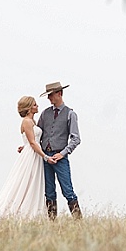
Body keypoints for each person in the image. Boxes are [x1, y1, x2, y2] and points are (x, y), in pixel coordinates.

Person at [0, 96, 50, 218]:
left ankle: (32, 210)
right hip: (32, 155)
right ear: (28, 108)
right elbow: (32, 142)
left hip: (34, 153)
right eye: (34, 105)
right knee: (25, 180)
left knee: (33, 181)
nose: (37, 106)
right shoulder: (27, 122)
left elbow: (32, 141)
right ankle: (18, 210)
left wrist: (25, 146)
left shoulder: (32, 121)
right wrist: (45, 156)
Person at [38, 81, 82, 219]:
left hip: (60, 158)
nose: (49, 98)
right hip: (45, 157)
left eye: (51, 95)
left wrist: (62, 154)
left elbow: (76, 139)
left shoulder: (70, 114)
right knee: (49, 192)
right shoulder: (45, 114)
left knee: (68, 190)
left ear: (59, 94)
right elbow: (37, 134)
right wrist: (27, 146)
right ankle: (52, 224)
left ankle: (79, 222)